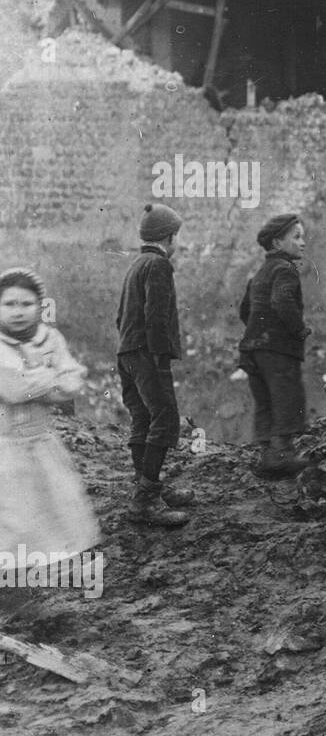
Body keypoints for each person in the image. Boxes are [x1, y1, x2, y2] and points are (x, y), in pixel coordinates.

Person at [0, 268, 101, 617]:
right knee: (12, 520)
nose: (18, 311)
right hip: (5, 446)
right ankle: (10, 596)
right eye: (9, 303)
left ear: (40, 306)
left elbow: (72, 383)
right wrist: (47, 380)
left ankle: (29, 589)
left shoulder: (50, 339)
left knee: (55, 511)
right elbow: (11, 391)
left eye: (26, 303)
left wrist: (38, 381)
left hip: (41, 443)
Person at [116, 203, 192, 526]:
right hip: (148, 354)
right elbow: (156, 317)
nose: (178, 243)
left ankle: (146, 485)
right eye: (177, 236)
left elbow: (120, 318)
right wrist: (160, 358)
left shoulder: (136, 265)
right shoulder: (159, 266)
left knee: (143, 418)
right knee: (165, 418)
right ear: (168, 237)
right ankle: (145, 501)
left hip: (127, 353)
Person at [238, 213, 312, 477]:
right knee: (286, 398)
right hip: (278, 350)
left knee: (265, 401)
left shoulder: (260, 273)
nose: (303, 242)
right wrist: (298, 329)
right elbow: (282, 302)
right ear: (278, 243)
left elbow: (245, 310)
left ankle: (268, 456)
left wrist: (258, 330)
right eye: (297, 237)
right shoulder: (285, 269)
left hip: (252, 349)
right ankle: (283, 455)